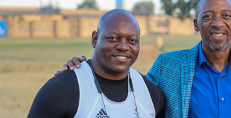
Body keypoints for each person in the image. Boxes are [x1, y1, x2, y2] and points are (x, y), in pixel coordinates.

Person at [58, 0, 231, 118]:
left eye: (226, 16)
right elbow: (129, 96)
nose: (218, 23)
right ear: (196, 24)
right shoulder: (168, 66)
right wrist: (85, 70)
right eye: (207, 16)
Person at [29, 9, 165, 118]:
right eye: (112, 38)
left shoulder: (152, 94)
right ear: (94, 39)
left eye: (132, 41)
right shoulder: (61, 89)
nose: (123, 47)